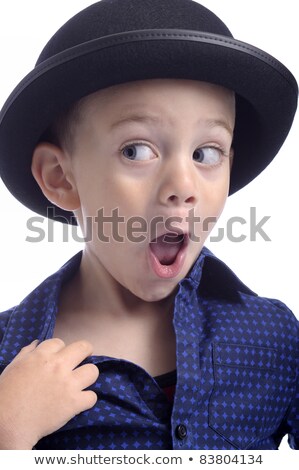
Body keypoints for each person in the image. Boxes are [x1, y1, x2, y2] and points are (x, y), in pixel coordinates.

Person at [0, 0, 298, 451]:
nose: (183, 185)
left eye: (206, 154)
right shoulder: (8, 361)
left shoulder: (274, 337)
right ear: (61, 179)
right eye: (136, 150)